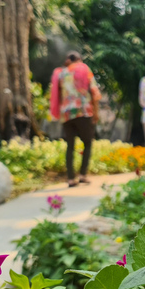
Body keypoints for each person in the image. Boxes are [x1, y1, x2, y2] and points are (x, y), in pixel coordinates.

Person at [50, 51, 101, 187]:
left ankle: (71, 178)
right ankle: (83, 175)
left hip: (66, 113)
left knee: (70, 146)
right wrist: (96, 112)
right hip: (82, 111)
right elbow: (94, 92)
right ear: (79, 59)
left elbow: (56, 95)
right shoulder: (84, 69)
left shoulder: (61, 73)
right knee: (88, 143)